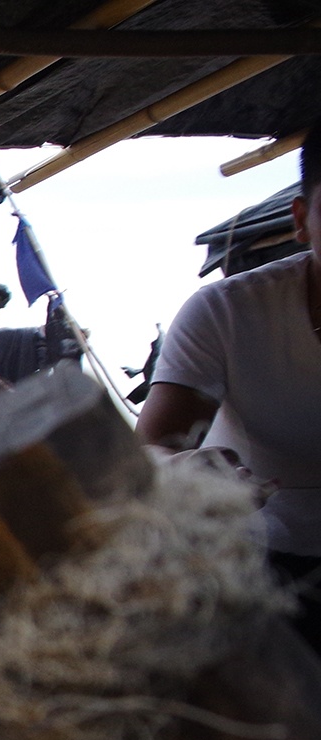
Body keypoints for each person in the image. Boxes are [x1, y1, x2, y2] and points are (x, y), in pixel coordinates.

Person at [138, 115, 321, 649]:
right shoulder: (228, 313)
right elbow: (150, 455)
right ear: (302, 220)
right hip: (252, 561)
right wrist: (187, 472)